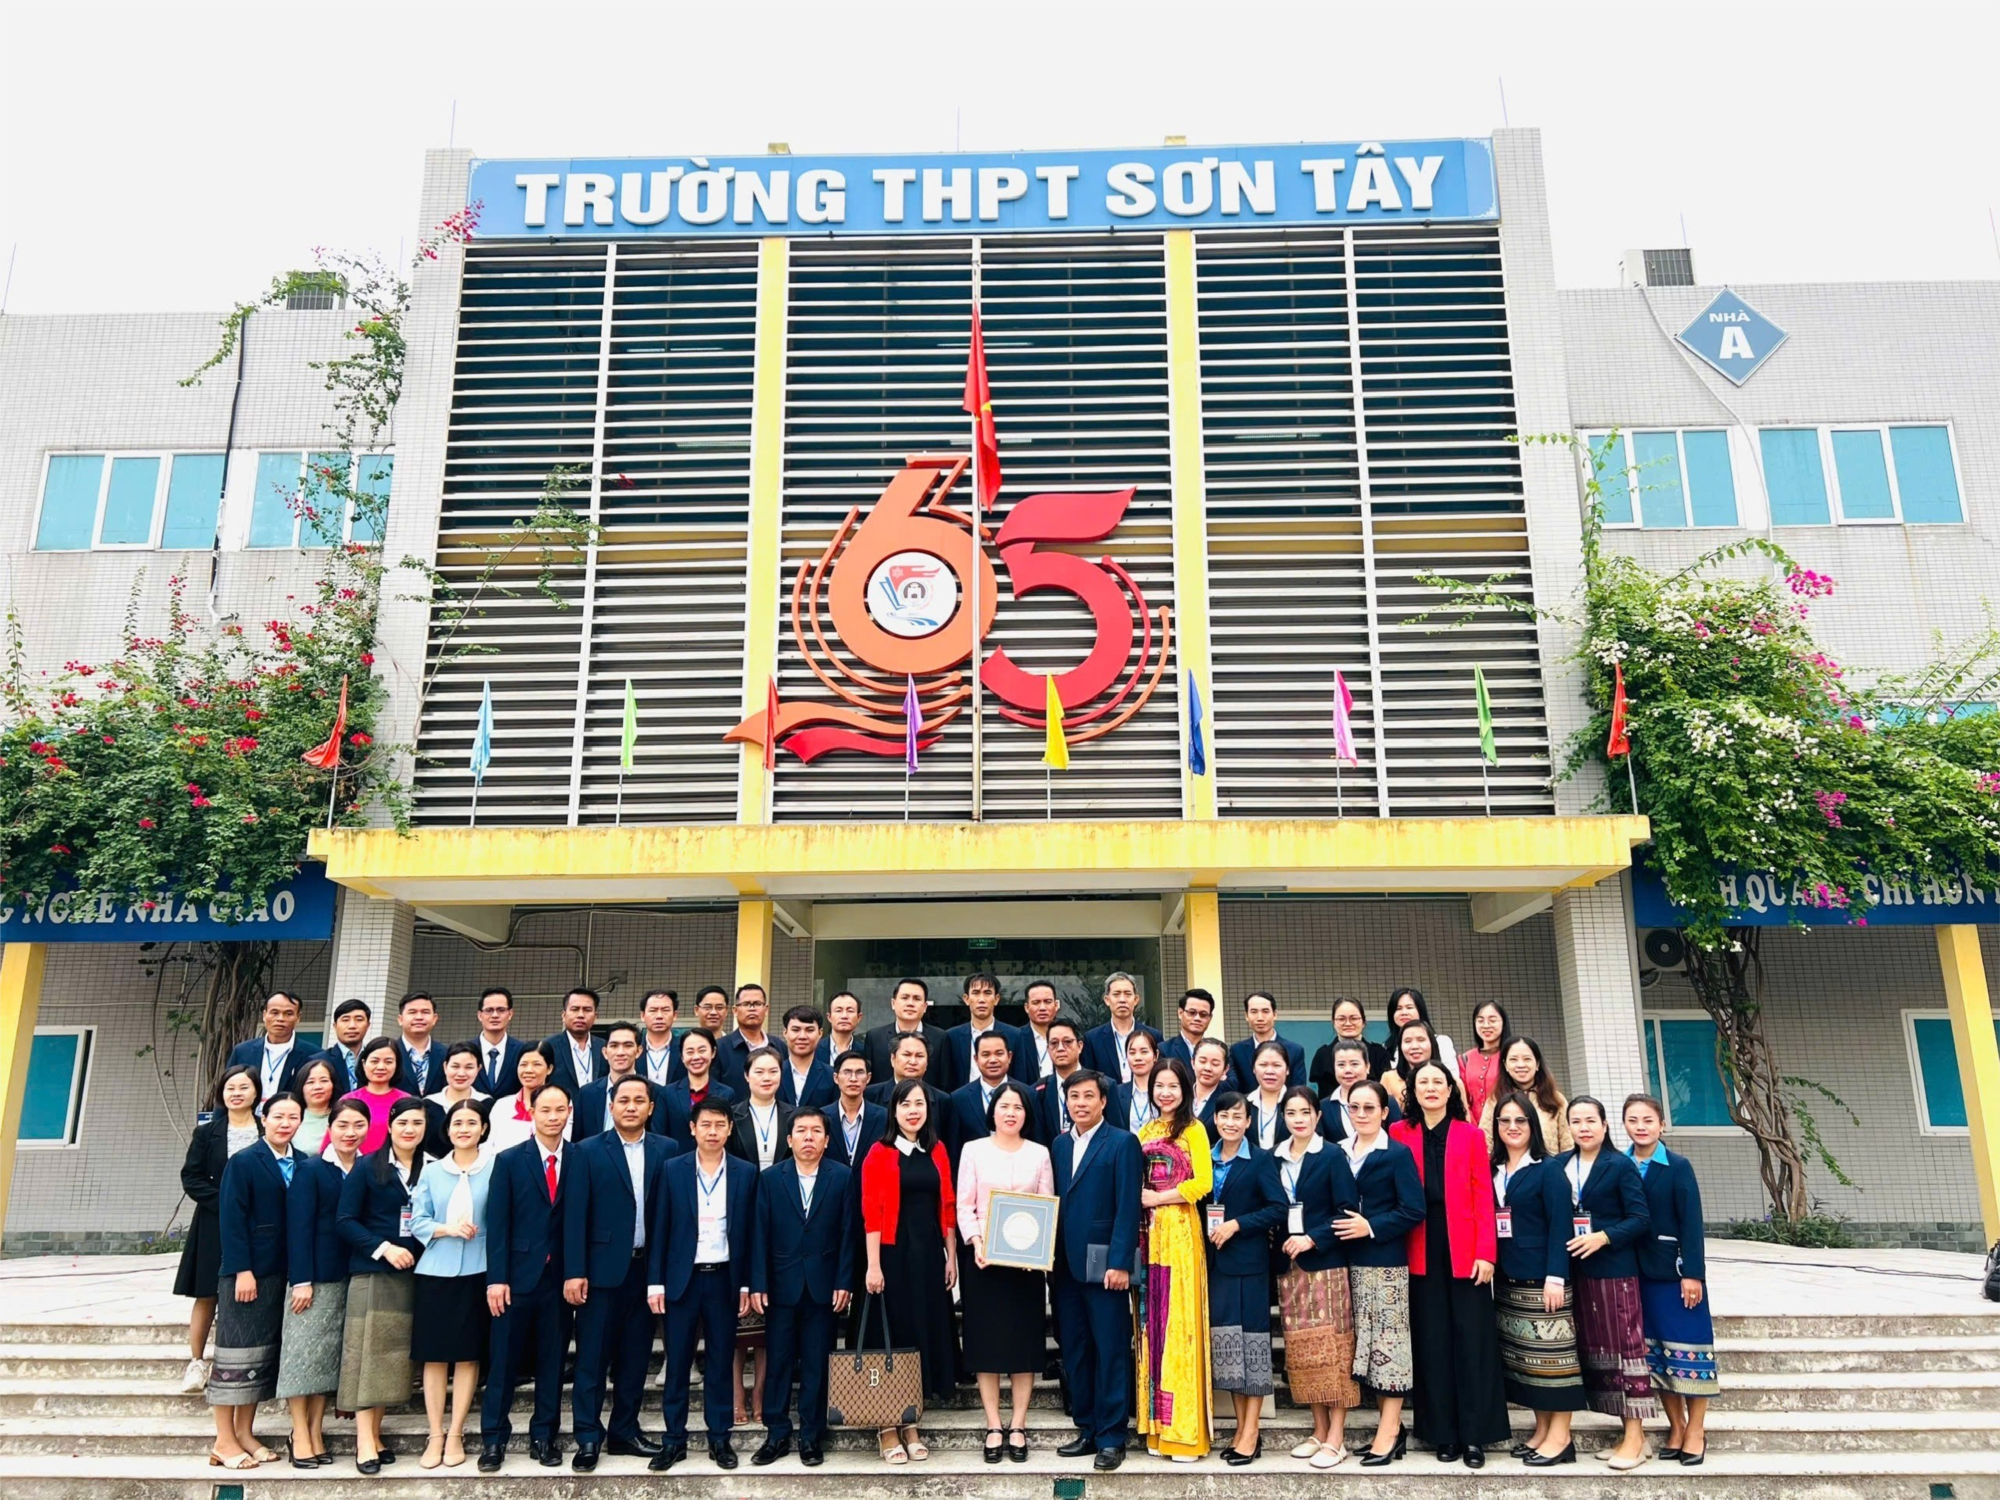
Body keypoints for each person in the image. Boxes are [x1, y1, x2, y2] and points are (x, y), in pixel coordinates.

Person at [1391, 1058, 1509, 1468]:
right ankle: (1441, 1433)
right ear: (1412, 1091)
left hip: (1466, 1249)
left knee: (1472, 1341)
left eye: (1437, 1082)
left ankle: (1474, 1436)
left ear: (1449, 1090)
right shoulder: (1398, 1133)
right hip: (1417, 1247)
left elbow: (1484, 1198)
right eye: (1422, 1082)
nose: (1430, 1088)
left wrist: (1486, 1253)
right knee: (1432, 1342)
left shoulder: (1470, 1135)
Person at [566, 1077, 675, 1469]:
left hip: (646, 1270)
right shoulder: (586, 1150)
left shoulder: (668, 1149)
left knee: (635, 1357)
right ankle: (587, 1437)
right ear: (610, 1107)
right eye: (623, 1100)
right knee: (592, 1359)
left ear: (651, 1108)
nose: (631, 1106)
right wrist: (574, 1270)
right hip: (599, 1272)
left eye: (639, 1100)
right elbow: (574, 1214)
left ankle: (624, 1431)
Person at [649, 1097, 757, 1473]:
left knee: (720, 1362)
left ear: (730, 1129)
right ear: (692, 1129)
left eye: (720, 1125)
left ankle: (719, 1438)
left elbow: (751, 1234)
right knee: (677, 1363)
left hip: (724, 1278)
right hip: (682, 1280)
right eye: (706, 1124)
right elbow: (659, 1228)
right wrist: (655, 1283)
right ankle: (673, 1440)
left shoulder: (745, 1172)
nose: (713, 1131)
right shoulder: (672, 1169)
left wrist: (746, 1284)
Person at [749, 1111, 855, 1467]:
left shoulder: (841, 1176)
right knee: (778, 1362)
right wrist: (758, 1282)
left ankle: (811, 1435)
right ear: (789, 1139)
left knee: (816, 1363)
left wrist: (844, 1281)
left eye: (816, 1131)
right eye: (801, 1131)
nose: (808, 1137)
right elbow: (759, 1233)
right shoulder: (770, 1178)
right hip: (781, 1286)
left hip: (824, 1287)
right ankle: (776, 1434)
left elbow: (848, 1233)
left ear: (827, 1140)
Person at [479, 1081, 575, 1473]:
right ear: (531, 1113)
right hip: (515, 1279)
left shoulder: (579, 1158)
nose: (552, 1117)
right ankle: (493, 1440)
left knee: (552, 1363)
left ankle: (544, 1437)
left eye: (559, 1110)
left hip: (560, 1279)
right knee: (503, 1363)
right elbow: (497, 1223)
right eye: (545, 1110)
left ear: (569, 1112)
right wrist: (496, 1278)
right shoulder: (509, 1160)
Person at [956, 1080, 1054, 1464]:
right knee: (987, 1345)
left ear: (1027, 1114)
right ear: (992, 1111)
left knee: (1023, 1345)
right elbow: (964, 1205)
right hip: (984, 1262)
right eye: (1004, 1106)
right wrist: (977, 1242)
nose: (1010, 1113)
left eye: (1018, 1107)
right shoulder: (973, 1150)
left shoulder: (1039, 1154)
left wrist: (1039, 1249)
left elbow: (1046, 1204)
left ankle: (1019, 1424)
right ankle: (994, 1424)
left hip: (1026, 1265)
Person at [861, 1078, 958, 1462]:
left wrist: (951, 1256)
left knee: (919, 1335)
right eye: (905, 1104)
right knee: (895, 1337)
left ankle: (911, 1419)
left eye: (919, 1103)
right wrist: (873, 1265)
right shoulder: (879, 1152)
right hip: (891, 1256)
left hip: (928, 1256)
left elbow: (947, 1207)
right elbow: (871, 1213)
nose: (913, 1110)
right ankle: (887, 1427)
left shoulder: (937, 1150)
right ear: (894, 1110)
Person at [1556, 1095, 1656, 1468]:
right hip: (1578, 1271)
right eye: (1576, 1121)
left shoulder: (1620, 1165)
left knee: (1626, 1350)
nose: (1583, 1128)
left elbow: (1640, 1219)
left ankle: (1635, 1435)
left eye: (1590, 1121)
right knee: (1600, 1353)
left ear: (1604, 1125)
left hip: (1615, 1270)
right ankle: (1632, 1437)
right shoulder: (1561, 1164)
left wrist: (1603, 1237)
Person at [1049, 1069, 1142, 1472]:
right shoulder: (1059, 1144)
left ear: (1103, 1101)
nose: (1081, 1103)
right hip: (1065, 1268)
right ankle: (1086, 1428)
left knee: (1110, 1350)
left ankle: (1112, 1437)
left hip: (1105, 1267)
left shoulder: (1122, 1142)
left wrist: (1120, 1262)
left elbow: (1128, 1205)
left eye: (1089, 1096)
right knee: (1076, 1350)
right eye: (1074, 1097)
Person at [1266, 1083, 1360, 1469]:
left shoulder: (1332, 1155)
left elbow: (1347, 1210)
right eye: (1291, 1113)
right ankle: (1318, 1430)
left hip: (1326, 1264)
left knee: (1334, 1351)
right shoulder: (1274, 1158)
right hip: (1290, 1267)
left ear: (1318, 1116)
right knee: (1303, 1353)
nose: (1298, 1119)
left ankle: (1337, 1437)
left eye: (1305, 1112)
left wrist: (1312, 1238)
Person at [206, 1090, 301, 1468]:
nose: (285, 1124)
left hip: (280, 1272)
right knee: (234, 1354)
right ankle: (223, 1440)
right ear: (264, 1118)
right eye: (278, 1116)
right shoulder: (244, 1161)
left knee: (258, 1356)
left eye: (293, 1117)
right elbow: (231, 1219)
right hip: (246, 1273)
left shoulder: (302, 1162)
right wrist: (241, 1269)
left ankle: (245, 1432)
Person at [1333, 1079, 1425, 1466]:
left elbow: (1414, 1209)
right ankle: (1392, 1428)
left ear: (1385, 1112)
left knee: (1390, 1348)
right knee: (1365, 1350)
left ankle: (1388, 1432)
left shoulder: (1397, 1154)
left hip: (1385, 1264)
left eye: (1370, 1107)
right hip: (1347, 1262)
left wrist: (1370, 1226)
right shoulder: (1338, 1151)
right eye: (1355, 1107)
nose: (1362, 1114)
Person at [1490, 1089, 1585, 1465]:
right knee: (1528, 1364)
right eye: (1505, 1120)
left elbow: (1561, 1224)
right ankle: (1542, 1430)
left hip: (1543, 1280)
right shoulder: (1494, 1168)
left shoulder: (1548, 1169)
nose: (1512, 1127)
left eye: (1520, 1120)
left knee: (1554, 1363)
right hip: (1509, 1278)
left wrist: (1556, 1276)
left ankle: (1561, 1438)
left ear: (1532, 1125)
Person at [336, 1095, 429, 1473]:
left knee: (391, 1359)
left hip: (414, 1276)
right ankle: (363, 1442)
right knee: (367, 1356)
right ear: (389, 1126)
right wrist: (383, 1248)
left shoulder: (432, 1167)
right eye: (402, 1122)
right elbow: (345, 1220)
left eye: (417, 1123)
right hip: (373, 1272)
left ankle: (375, 1434)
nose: (410, 1129)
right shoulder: (366, 1167)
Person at [1624, 1092, 1716, 1466]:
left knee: (1691, 1352)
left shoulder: (1677, 1166)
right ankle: (1675, 1426)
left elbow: (1691, 1221)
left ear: (1661, 1125)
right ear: (1624, 1125)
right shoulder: (1620, 1165)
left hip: (1674, 1275)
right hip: (1635, 1274)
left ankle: (1696, 1430)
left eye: (1648, 1120)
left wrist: (1693, 1273)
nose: (1641, 1127)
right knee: (1657, 1356)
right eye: (1633, 1120)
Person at [279, 1098, 367, 1468]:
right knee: (302, 1357)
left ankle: (315, 1431)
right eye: (343, 1125)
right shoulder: (311, 1169)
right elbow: (298, 1227)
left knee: (327, 1362)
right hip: (314, 1278)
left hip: (352, 1274)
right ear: (330, 1128)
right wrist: (301, 1279)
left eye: (358, 1125)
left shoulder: (368, 1167)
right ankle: (299, 1432)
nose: (350, 1133)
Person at [1134, 1059, 1214, 1462]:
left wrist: (1159, 1198)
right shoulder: (1145, 1131)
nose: (1165, 1093)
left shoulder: (1194, 1129)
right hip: (1149, 1236)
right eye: (1159, 1086)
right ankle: (1156, 1427)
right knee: (1152, 1325)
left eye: (1173, 1086)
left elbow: (1203, 1183)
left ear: (1186, 1090)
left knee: (1179, 1323)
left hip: (1180, 1232)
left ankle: (1184, 1434)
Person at [408, 1098, 494, 1469]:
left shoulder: (495, 1167)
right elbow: (417, 1220)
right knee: (435, 1354)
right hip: (436, 1270)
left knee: (468, 1354)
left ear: (483, 1129)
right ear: (447, 1129)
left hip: (479, 1267)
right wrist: (448, 1229)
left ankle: (456, 1432)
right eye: (457, 1123)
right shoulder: (432, 1171)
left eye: (471, 1122)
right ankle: (435, 1433)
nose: (464, 1129)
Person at [175, 1064, 263, 1394]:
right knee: (207, 1292)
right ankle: (197, 1362)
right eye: (230, 1088)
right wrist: (226, 1202)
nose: (236, 1093)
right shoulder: (207, 1133)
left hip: (258, 1222)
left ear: (257, 1093)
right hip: (214, 1222)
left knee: (251, 1289)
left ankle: (243, 1362)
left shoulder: (266, 1129)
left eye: (243, 1087)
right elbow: (191, 1177)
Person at [1203, 1092, 1281, 1464]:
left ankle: (1252, 1432)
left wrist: (1236, 1224)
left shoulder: (1260, 1160)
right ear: (1215, 1120)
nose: (1230, 1123)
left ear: (1248, 1122)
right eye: (1224, 1116)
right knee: (1229, 1350)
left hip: (1249, 1266)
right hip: (1217, 1266)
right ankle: (1240, 1427)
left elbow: (1277, 1208)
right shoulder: (1205, 1157)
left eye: (1238, 1117)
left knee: (1253, 1348)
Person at [727, 1046, 791, 1428]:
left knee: (770, 1314)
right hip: (739, 1216)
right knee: (737, 1312)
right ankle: (736, 1390)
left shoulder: (793, 1116)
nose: (767, 1077)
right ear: (746, 1076)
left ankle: (762, 1391)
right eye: (760, 1071)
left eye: (773, 1071)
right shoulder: (731, 1115)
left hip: (783, 1218)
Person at [570, 1021, 668, 1138]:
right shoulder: (587, 1093)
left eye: (628, 1045)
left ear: (638, 1051)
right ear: (605, 1052)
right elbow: (578, 1140)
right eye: (614, 1046)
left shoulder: (657, 1092)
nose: (620, 1052)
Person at [1477, 1035, 1571, 1155]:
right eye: (1513, 1059)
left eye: (1527, 1059)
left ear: (1537, 1064)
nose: (1521, 1065)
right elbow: (1485, 1146)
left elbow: (1568, 1146)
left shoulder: (1555, 1099)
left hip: (1549, 1165)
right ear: (1505, 1065)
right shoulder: (1495, 1100)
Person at [943, 972, 1032, 1090]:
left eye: (987, 993)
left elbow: (1020, 1079)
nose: (981, 1000)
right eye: (976, 993)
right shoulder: (952, 1036)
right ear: (966, 999)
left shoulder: (1014, 1035)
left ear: (996, 999)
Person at [947, 1029, 1023, 1166]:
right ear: (976, 1059)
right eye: (986, 1054)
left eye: (999, 1053)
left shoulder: (1028, 1094)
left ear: (1009, 1057)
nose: (993, 1060)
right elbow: (954, 1150)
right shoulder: (959, 1099)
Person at [862, 977, 949, 1088]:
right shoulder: (875, 1037)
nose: (910, 1003)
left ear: (925, 1006)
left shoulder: (940, 1037)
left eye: (917, 999)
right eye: (905, 998)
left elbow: (945, 1081)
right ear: (893, 1003)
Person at [228, 992, 312, 1104]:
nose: (280, 1019)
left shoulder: (312, 1055)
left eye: (288, 1013)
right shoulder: (242, 1051)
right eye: (274, 1012)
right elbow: (227, 1088)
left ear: (298, 1018)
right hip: (248, 1115)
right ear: (264, 1015)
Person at [658, 1026, 736, 1147]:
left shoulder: (726, 1094)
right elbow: (659, 1137)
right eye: (690, 1052)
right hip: (676, 1158)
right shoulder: (667, 1093)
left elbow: (731, 1138)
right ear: (682, 1056)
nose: (696, 1057)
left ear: (713, 1052)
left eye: (702, 1050)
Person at [487, 1041, 568, 1156]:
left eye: (536, 1064)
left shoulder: (562, 1105)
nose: (528, 1070)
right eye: (523, 1064)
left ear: (549, 1069)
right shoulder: (502, 1106)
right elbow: (488, 1147)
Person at [1319, 1038, 1404, 1142]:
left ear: (1367, 1067)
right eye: (1341, 1065)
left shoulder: (1387, 1101)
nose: (1348, 1070)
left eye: (1354, 1064)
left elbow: (1398, 1141)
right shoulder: (1323, 1107)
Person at [1081, 971, 1159, 1083]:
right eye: (1116, 994)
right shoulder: (1092, 1039)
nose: (1122, 1000)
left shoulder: (1154, 1036)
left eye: (1128, 994)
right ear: (1107, 1000)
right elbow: (1089, 1080)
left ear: (1136, 1000)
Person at [339, 1037, 413, 1153]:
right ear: (364, 1064)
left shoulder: (406, 1101)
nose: (381, 1067)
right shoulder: (348, 1100)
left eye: (388, 1062)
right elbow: (332, 1142)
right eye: (374, 1061)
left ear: (397, 1065)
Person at [1310, 996, 1392, 1092]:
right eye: (1341, 1019)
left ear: (1363, 1022)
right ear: (1333, 1022)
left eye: (1354, 1018)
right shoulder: (1322, 1054)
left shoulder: (1379, 1053)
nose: (1348, 1023)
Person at [864, 1029, 951, 1120]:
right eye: (907, 1055)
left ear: (927, 1062)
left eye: (919, 1056)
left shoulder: (942, 1100)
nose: (913, 1062)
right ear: (893, 1059)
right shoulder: (870, 1095)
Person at [421, 1043, 490, 1157]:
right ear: (445, 1067)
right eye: (455, 1066)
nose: (461, 1073)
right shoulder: (427, 1105)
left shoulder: (488, 1104)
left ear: (478, 1069)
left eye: (469, 1067)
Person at [822, 1050, 887, 1169]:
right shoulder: (822, 1117)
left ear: (868, 1078)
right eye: (847, 1072)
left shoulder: (884, 1117)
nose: (853, 1078)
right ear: (836, 1078)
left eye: (859, 1072)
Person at [1385, 1019, 1465, 1114]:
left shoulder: (1453, 1081)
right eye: (1408, 1041)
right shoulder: (1388, 1078)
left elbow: (1464, 1119)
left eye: (1421, 1040)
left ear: (1432, 1043)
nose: (1414, 1046)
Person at [1229, 991, 1305, 1091]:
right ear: (1246, 1016)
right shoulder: (1237, 1050)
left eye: (1265, 1011)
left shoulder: (1294, 1050)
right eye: (1254, 1012)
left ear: (1275, 1014)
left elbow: (1298, 1090)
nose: (1260, 1018)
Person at [544, 987, 606, 1096]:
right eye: (575, 1009)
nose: (580, 1015)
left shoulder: (605, 1048)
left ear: (595, 1017)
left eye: (587, 1010)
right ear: (564, 1015)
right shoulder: (548, 1046)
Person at [1459, 1002, 1511, 1124]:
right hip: (1472, 1127)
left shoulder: (1511, 1056)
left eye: (1492, 1020)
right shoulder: (1465, 1059)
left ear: (1503, 1023)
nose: (1486, 1025)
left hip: (1506, 1124)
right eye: (1480, 1021)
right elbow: (1462, 1098)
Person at [777, 1005, 837, 1110]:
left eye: (809, 1030)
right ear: (785, 1033)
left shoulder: (832, 1076)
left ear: (820, 1033)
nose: (802, 1036)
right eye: (796, 1030)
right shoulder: (773, 1073)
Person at [1036, 1017, 1086, 1138]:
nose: (1060, 1048)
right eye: (1054, 1043)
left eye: (1067, 1042)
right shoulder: (1038, 1091)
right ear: (1048, 1049)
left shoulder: (1102, 1084)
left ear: (1080, 1046)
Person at [690, 986, 748, 1092]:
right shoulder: (684, 1046)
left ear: (726, 1011)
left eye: (719, 1007)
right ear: (696, 1010)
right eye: (707, 1007)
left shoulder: (736, 1047)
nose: (713, 1012)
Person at [1389, 987, 1458, 1072]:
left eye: (1409, 1007)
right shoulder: (1386, 1047)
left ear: (1420, 1010)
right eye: (1398, 1009)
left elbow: (1452, 1075)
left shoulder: (1441, 1042)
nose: (1404, 1013)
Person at [393, 992, 449, 1098]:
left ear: (434, 1019)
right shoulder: (389, 1052)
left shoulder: (446, 1054)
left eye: (425, 1012)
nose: (419, 1017)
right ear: (400, 1019)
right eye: (412, 1012)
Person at [315, 999, 372, 1094]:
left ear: (368, 1025)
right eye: (345, 1020)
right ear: (335, 1026)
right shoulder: (318, 1061)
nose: (352, 1026)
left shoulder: (376, 1060)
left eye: (359, 1020)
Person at [1245, 1039, 1292, 1151]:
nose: (1269, 1071)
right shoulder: (1242, 1103)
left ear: (1287, 1070)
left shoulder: (1300, 1103)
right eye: (1263, 1065)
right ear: (1254, 1069)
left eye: (1276, 1065)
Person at [722, 982, 775, 1080]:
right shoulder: (721, 1048)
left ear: (766, 1009)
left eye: (757, 1004)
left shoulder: (778, 1046)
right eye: (746, 1004)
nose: (752, 1009)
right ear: (735, 1011)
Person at [1113, 1027, 1160, 1133]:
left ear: (1155, 1055)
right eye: (1132, 1052)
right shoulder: (1117, 1093)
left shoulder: (1164, 1091)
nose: (1138, 1058)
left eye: (1144, 1052)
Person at [291, 1057, 339, 1156]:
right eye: (310, 1082)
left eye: (324, 1081)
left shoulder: (342, 1116)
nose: (317, 1087)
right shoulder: (292, 1117)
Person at [1159, 987, 1215, 1071]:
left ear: (1210, 1018)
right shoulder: (1164, 1049)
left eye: (1203, 1014)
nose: (1197, 1018)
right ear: (1180, 1013)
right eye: (1192, 1013)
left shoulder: (1218, 1051)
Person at [1189, 1036, 1231, 1139]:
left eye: (1215, 1064)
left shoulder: (1228, 1103)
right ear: (1193, 1063)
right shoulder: (1179, 1096)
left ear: (1225, 1069)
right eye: (1202, 1061)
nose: (1207, 1068)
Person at [637, 988, 680, 1087]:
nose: (659, 1016)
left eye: (665, 1010)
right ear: (642, 1016)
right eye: (653, 1010)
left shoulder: (685, 1048)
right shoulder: (633, 1049)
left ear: (675, 1015)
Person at [1019, 979, 1061, 1078]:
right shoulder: (1017, 1038)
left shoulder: (1069, 1037)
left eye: (1047, 1002)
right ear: (1026, 1007)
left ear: (1056, 1005)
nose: (1042, 1008)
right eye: (1036, 1002)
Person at [824, 991, 863, 1068]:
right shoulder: (814, 1049)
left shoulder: (866, 1051)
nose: (844, 1016)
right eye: (838, 1011)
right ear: (829, 1017)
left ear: (859, 1017)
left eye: (850, 1011)